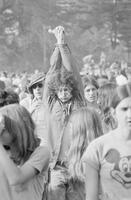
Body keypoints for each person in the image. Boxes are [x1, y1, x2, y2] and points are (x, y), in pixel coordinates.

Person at [43, 26, 85, 200]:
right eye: (60, 89)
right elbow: (52, 71)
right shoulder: (50, 103)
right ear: (55, 91)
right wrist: (57, 45)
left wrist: (64, 45)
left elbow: (73, 74)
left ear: (72, 90)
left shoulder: (79, 103)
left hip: (77, 166)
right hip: (56, 168)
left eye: (67, 89)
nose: (64, 92)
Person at [82, 83, 131, 200]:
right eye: (124, 109)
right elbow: (91, 197)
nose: (130, 115)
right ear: (113, 112)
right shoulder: (97, 148)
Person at [0, 104, 50, 200]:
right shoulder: (2, 154)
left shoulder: (41, 152)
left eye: (2, 129)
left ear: (17, 128)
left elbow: (16, 179)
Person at [20, 72, 46, 141]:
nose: (37, 89)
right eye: (34, 86)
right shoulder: (25, 103)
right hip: (30, 142)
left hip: (48, 143)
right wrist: (30, 111)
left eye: (40, 85)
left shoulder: (53, 103)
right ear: (32, 89)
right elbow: (19, 124)